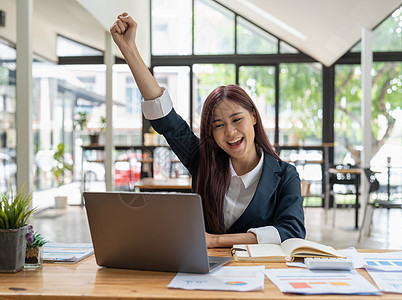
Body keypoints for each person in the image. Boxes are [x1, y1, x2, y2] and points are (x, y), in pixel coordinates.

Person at [110, 13, 305, 248]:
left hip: (260, 273)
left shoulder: (285, 175)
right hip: (205, 272)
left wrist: (216, 241)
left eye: (236, 119)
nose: (230, 132)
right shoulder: (203, 159)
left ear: (253, 116)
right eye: (219, 125)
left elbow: (291, 231)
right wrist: (129, 49)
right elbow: (164, 116)